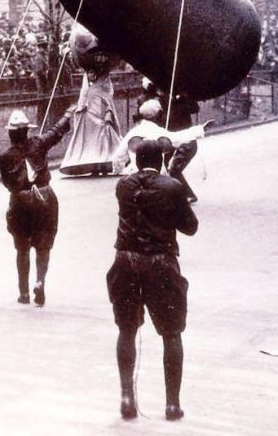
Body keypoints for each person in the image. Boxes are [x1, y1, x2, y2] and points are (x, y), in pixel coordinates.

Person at [106, 138, 198, 422]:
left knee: (127, 329)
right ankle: (172, 404)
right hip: (161, 262)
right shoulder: (172, 186)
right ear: (160, 160)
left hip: (126, 260)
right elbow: (190, 227)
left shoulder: (123, 186)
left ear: (137, 160)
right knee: (171, 333)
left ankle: (126, 397)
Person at [0, 107, 74, 305]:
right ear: (27, 131)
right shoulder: (38, 144)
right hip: (45, 197)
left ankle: (23, 292)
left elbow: (7, 183)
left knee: (22, 248)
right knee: (43, 245)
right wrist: (68, 114)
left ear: (10, 132)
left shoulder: (5, 156)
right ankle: (40, 281)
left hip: (20, 200)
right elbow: (57, 131)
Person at [60, 63, 122, 176]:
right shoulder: (87, 90)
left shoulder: (102, 88)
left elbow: (108, 102)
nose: (91, 75)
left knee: (103, 141)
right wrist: (80, 110)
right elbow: (82, 102)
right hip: (90, 119)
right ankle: (94, 167)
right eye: (89, 73)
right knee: (92, 143)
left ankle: (104, 166)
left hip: (101, 118)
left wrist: (108, 114)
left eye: (93, 73)